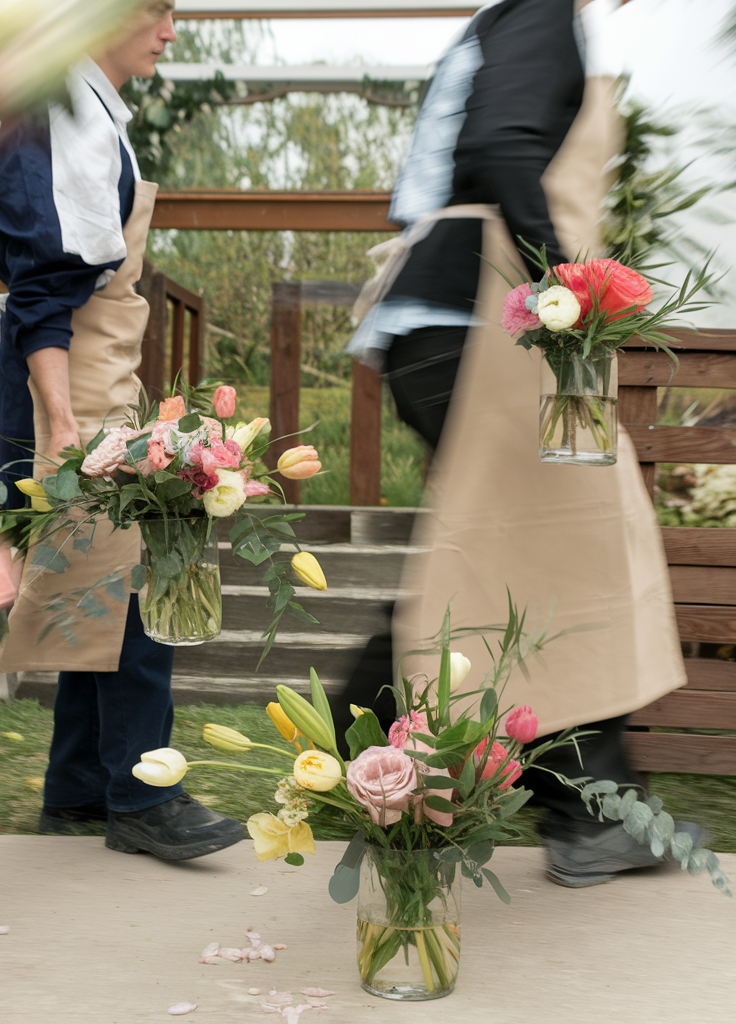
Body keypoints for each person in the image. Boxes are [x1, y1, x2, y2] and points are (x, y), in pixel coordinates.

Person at [339, 0, 702, 887]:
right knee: (556, 553)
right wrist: (565, 295)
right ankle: (585, 812)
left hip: (466, 317)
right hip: (496, 321)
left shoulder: (510, 18)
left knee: (517, 559)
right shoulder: (540, 12)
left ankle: (566, 802)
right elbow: (504, 145)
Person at [0, 0, 247, 861]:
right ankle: (145, 796)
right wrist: (66, 424)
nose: (170, 28)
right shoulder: (63, 115)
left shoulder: (78, 112)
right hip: (68, 380)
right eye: (155, 10)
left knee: (99, 584)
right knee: (143, 580)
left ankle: (78, 786)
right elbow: (41, 288)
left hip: (83, 368)